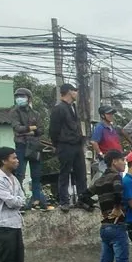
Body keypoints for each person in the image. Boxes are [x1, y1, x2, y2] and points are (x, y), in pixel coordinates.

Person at [49, 83, 91, 211]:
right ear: (68, 92)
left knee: (81, 173)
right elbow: (53, 130)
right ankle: (64, 201)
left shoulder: (72, 107)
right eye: (74, 90)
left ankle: (82, 199)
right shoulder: (59, 108)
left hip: (76, 144)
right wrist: (58, 144)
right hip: (65, 144)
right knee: (65, 173)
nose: (76, 93)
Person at [11, 88, 50, 210]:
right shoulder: (14, 112)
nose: (19, 98)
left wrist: (27, 130)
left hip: (34, 146)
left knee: (36, 175)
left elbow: (41, 130)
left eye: (22, 96)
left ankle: (37, 200)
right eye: (17, 96)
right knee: (19, 174)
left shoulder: (36, 113)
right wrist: (32, 129)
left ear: (29, 98)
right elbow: (17, 128)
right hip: (21, 146)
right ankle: (20, 201)